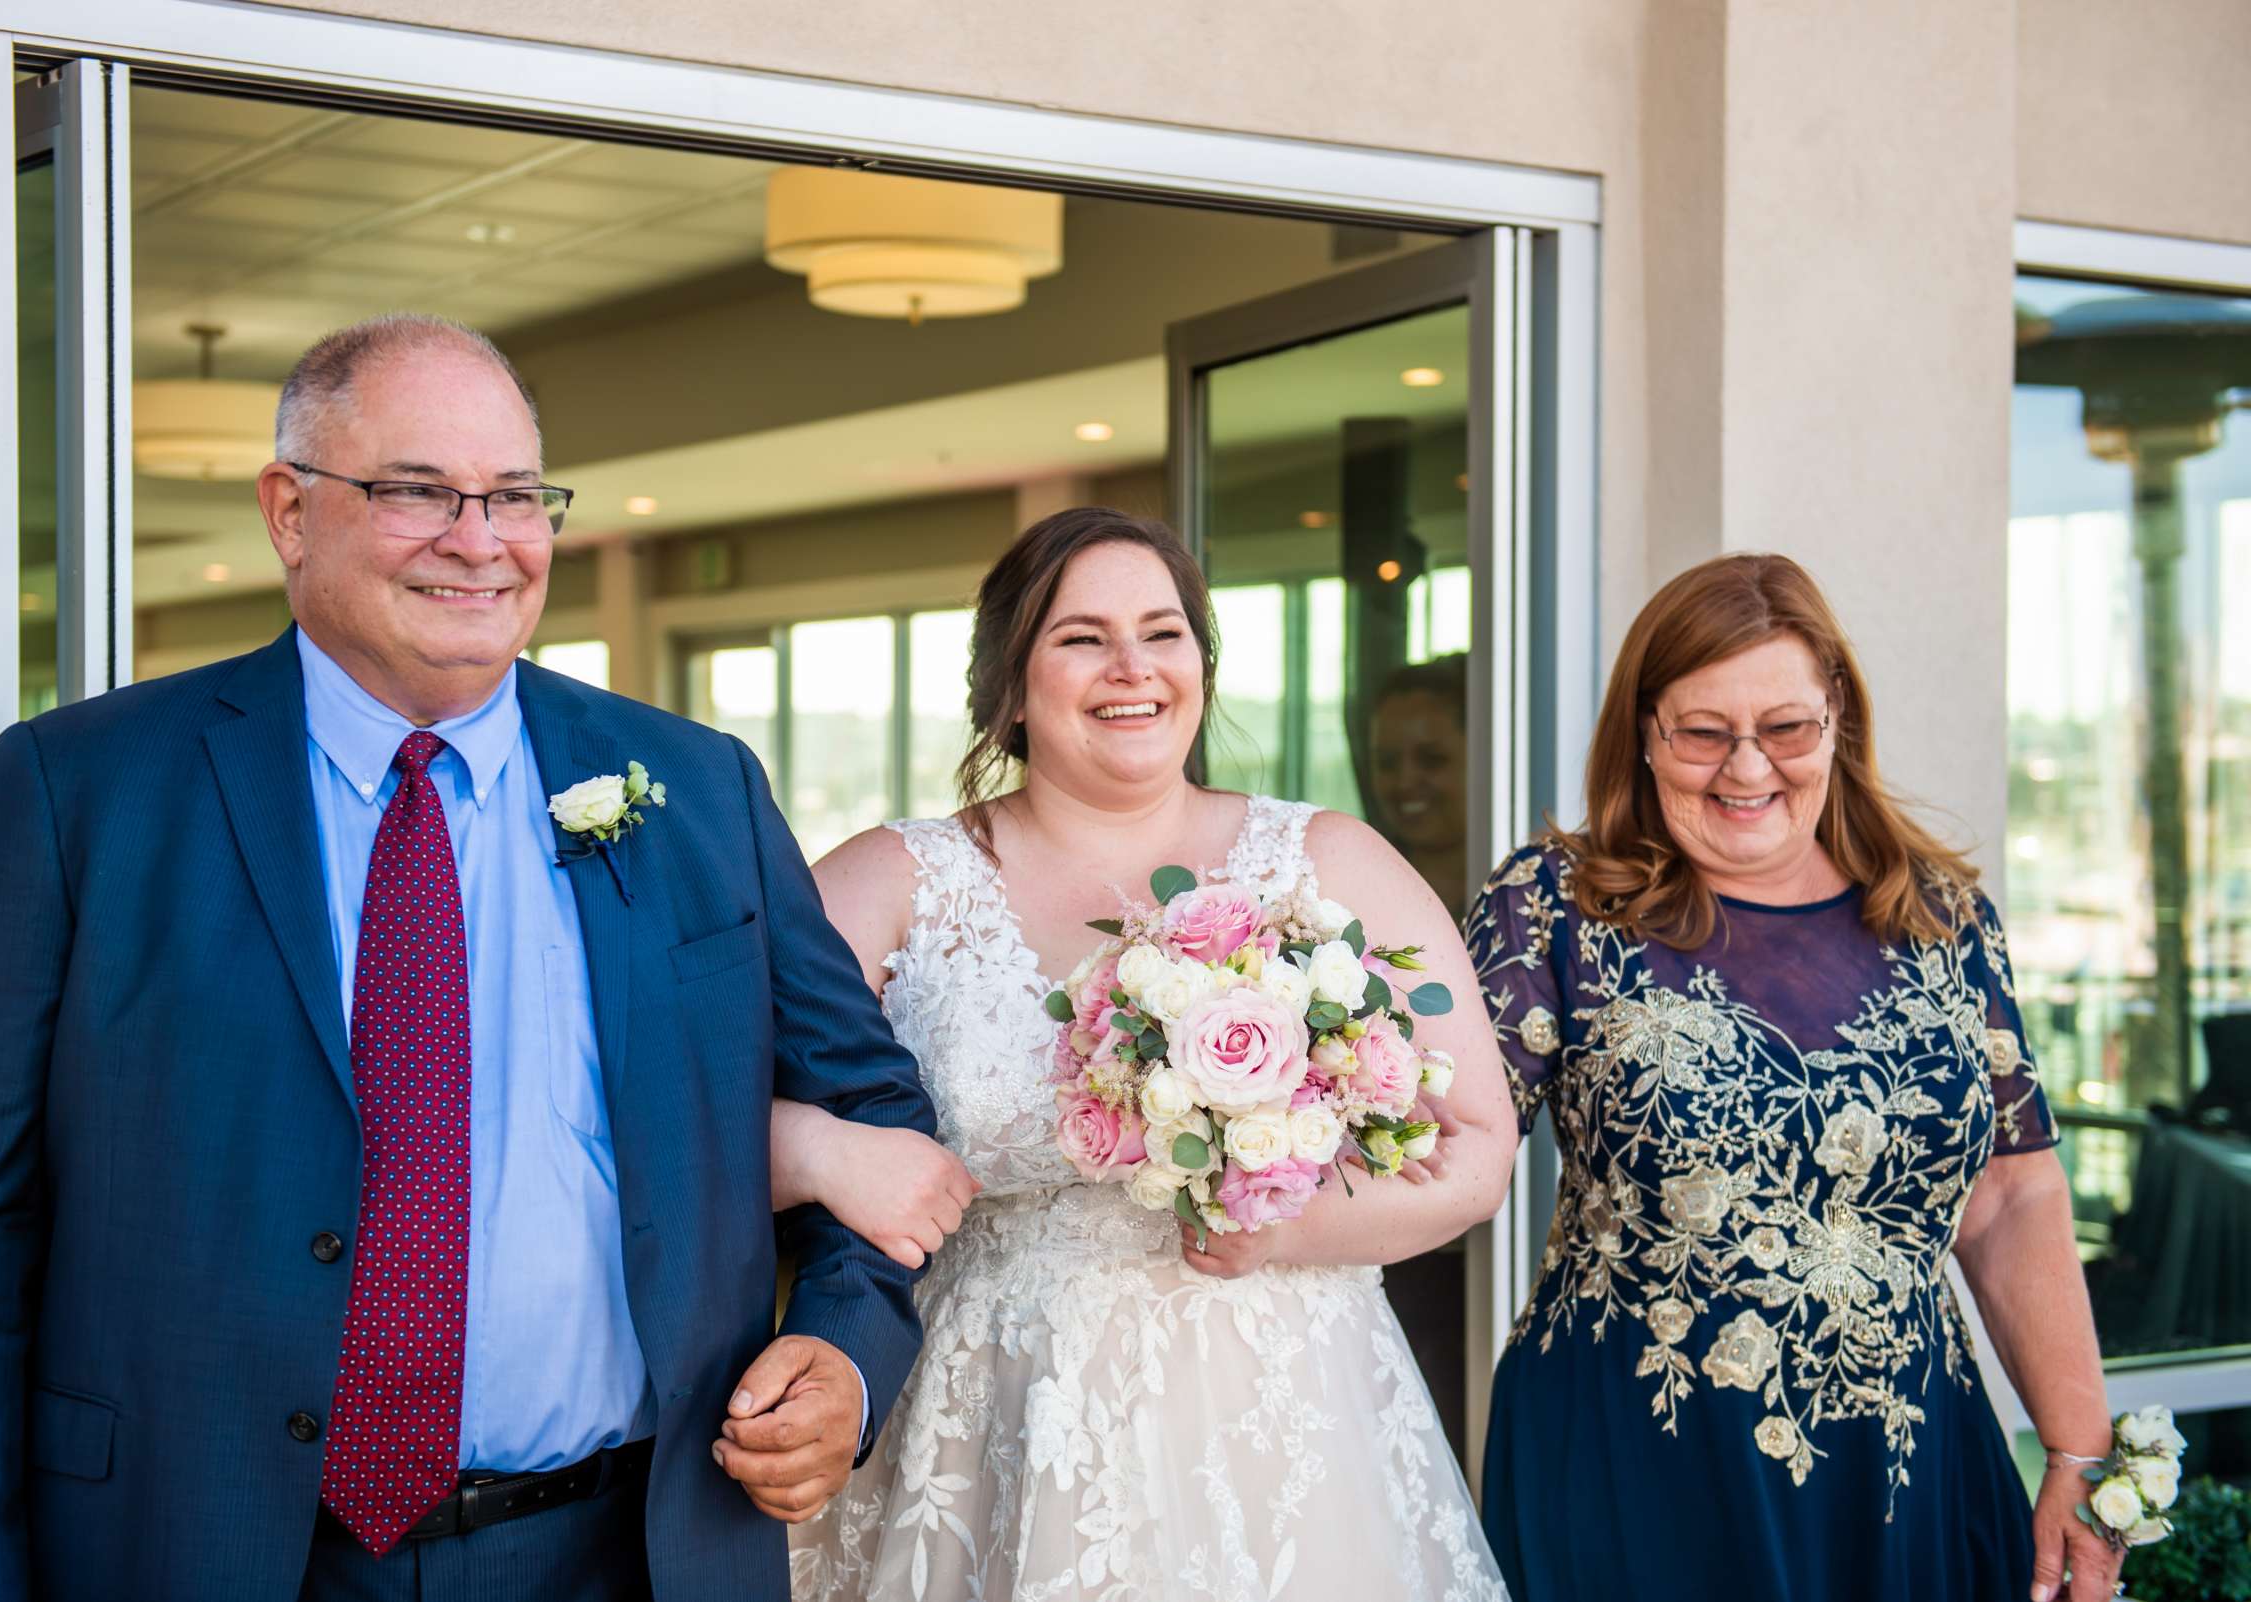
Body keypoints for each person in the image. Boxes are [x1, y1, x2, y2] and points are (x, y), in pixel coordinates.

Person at [0, 314, 935, 1602]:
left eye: (517, 497)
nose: (479, 540)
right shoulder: (83, 791)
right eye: (417, 490)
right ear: (289, 512)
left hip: (630, 1550)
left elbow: (874, 1111)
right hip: (202, 1552)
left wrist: (843, 1353)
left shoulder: (695, 787)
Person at [779, 507, 1518, 1600]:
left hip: (1282, 1425)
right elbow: (695, 1099)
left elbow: (1479, 1148)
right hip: (992, 1416)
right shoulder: (897, 881)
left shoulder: (1326, 863)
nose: (1132, 667)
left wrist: (1291, 1228)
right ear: (1010, 683)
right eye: (1082, 637)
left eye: (1163, 633)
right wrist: (819, 1153)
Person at [1463, 553, 2117, 1602]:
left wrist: (2079, 1455)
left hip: (1908, 1468)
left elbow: (2008, 1193)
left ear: (1838, 722)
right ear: (1644, 731)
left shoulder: (1941, 918)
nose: (1746, 768)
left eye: (1785, 728)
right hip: (1642, 1465)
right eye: (1703, 732)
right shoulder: (1554, 906)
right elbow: (1452, 1148)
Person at [1367, 652, 1469, 917]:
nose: (1405, 781)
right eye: (1387, 762)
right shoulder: (1356, 879)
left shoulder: (1526, 885)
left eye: (1431, 760)